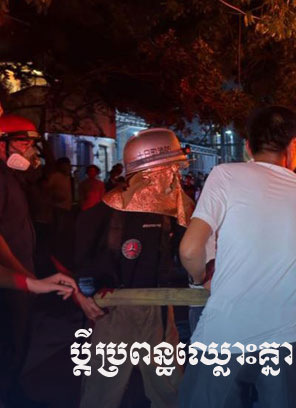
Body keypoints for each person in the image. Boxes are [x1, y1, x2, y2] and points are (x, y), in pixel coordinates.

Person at [178, 106, 296, 408]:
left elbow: (189, 250)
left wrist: (200, 279)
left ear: (249, 147)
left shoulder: (225, 175)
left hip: (225, 332)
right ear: (293, 146)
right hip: (290, 334)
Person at [74, 128, 194, 408]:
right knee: (102, 391)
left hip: (159, 311)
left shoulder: (171, 209)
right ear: (150, 173)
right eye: (171, 168)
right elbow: (75, 260)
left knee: (170, 389)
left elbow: (194, 249)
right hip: (113, 310)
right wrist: (83, 295)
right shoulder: (103, 213)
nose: (177, 175)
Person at [0, 114, 77, 406]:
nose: (30, 151)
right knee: (10, 346)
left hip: (18, 279)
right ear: (2, 145)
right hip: (9, 284)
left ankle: (14, 392)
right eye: (24, 143)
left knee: (18, 345)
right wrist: (26, 279)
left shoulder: (13, 179)